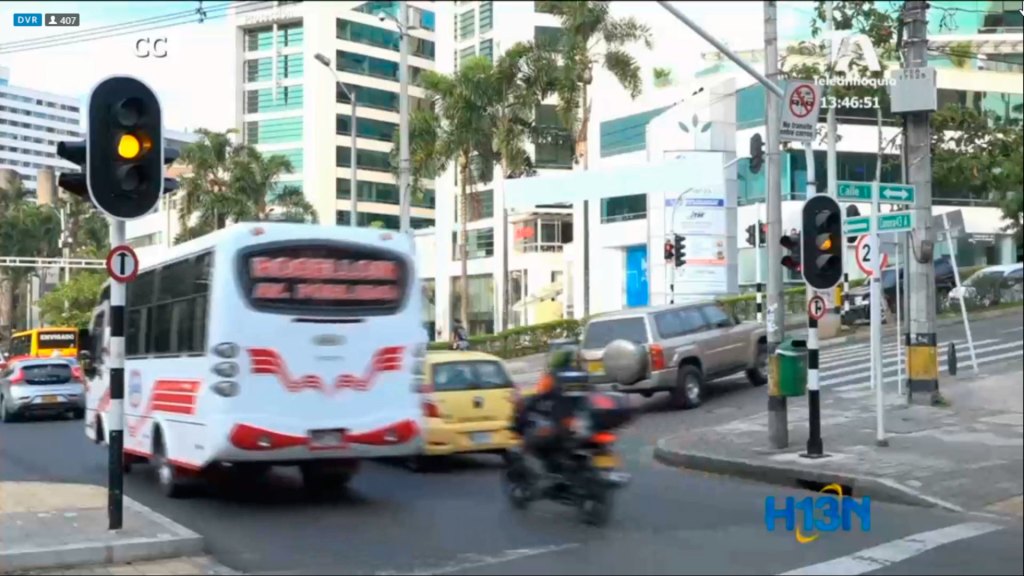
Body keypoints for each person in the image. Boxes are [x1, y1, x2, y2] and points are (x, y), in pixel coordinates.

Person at [514, 348, 585, 476]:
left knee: (534, 440)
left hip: (563, 423)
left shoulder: (554, 376)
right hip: (584, 422)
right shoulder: (582, 374)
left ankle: (553, 472)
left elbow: (542, 395)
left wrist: (529, 404)